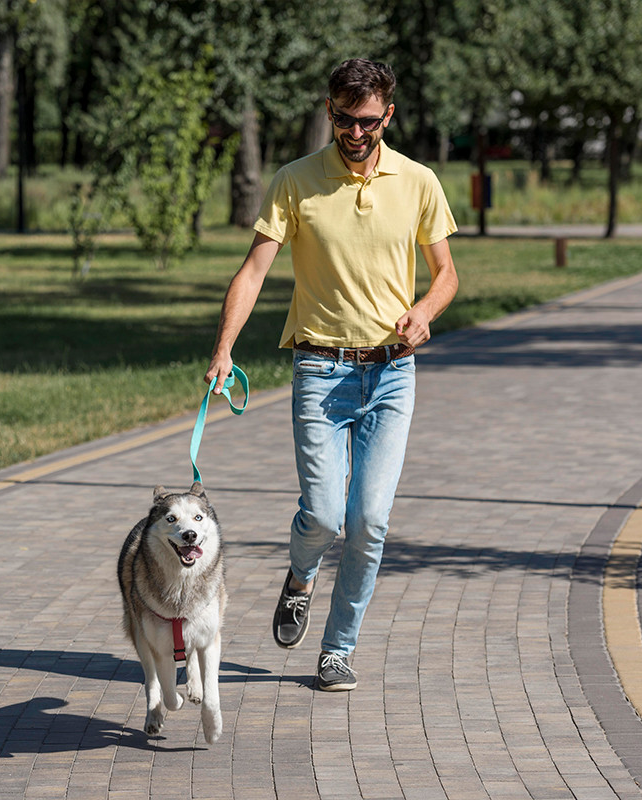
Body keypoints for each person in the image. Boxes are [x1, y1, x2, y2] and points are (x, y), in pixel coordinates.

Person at [204, 58, 459, 691]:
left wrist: (425, 311)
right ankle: (300, 577)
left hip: (393, 375)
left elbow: (447, 274)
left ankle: (337, 649)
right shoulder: (295, 181)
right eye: (343, 118)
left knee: (369, 521)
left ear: (388, 115)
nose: (354, 131)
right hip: (320, 369)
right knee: (322, 515)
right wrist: (224, 350)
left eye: (367, 121)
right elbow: (255, 269)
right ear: (330, 111)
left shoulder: (419, 182)